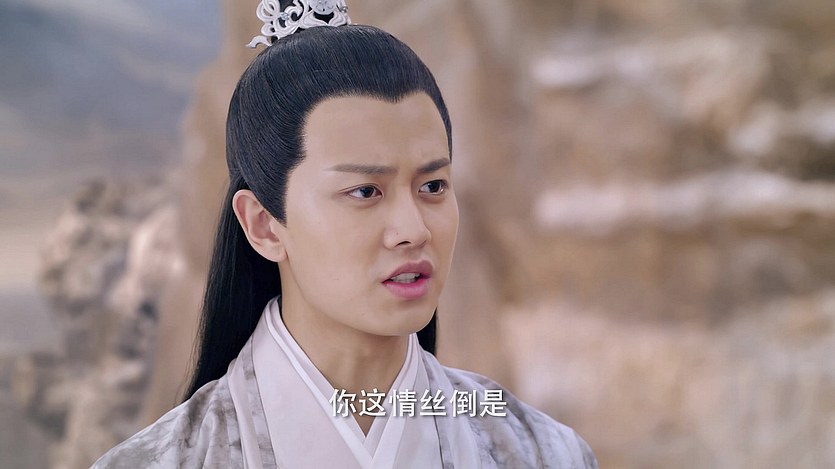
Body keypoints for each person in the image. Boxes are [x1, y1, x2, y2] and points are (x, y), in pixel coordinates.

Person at [94, 0, 597, 467]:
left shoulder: (546, 453)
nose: (413, 230)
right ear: (264, 224)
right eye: (364, 191)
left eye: (433, 186)